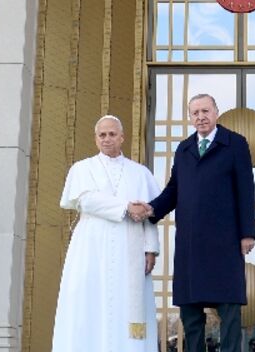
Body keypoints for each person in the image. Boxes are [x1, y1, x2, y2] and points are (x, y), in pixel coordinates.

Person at [135, 93, 255, 352]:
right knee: (190, 314)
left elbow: (246, 189)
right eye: (195, 113)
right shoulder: (184, 149)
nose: (200, 117)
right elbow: (174, 189)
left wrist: (247, 232)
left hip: (225, 240)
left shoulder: (235, 144)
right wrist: (151, 209)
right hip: (190, 242)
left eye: (205, 111)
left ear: (216, 112)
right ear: (190, 117)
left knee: (230, 312)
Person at [51, 115, 161, 351]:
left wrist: (151, 248)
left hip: (129, 247)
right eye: (102, 135)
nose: (107, 139)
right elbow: (85, 200)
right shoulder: (82, 168)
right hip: (91, 247)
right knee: (88, 300)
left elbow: (150, 213)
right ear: (95, 139)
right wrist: (125, 207)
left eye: (112, 134)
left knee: (126, 304)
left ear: (122, 137)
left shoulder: (140, 173)